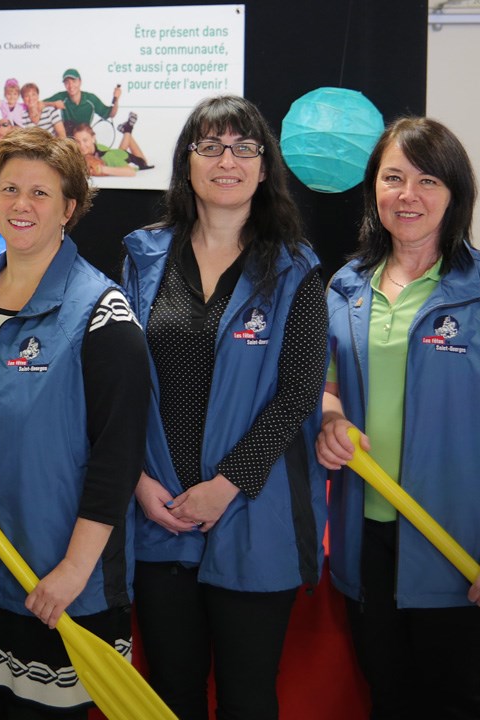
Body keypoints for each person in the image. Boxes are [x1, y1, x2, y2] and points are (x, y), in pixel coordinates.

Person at [316, 117, 480, 719]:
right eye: (393, 178)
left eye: (428, 180)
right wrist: (331, 420)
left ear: (455, 194)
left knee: (455, 702)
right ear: (374, 191)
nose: (408, 195)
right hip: (367, 537)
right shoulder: (344, 287)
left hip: (457, 543)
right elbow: (328, 389)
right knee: (387, 696)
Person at [0, 126, 150, 719]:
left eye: (40, 193)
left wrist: (73, 571)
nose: (20, 205)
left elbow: (118, 456)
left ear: (70, 208)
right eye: (8, 189)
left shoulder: (102, 313)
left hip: (56, 579)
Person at [123, 95, 327, 720]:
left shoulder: (296, 269)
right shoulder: (142, 257)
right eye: (209, 146)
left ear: (265, 169)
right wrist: (137, 481)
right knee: (172, 694)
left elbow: (298, 393)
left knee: (246, 698)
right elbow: (116, 381)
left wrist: (227, 485)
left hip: (252, 513)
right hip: (161, 513)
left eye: (244, 148)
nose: (226, 160)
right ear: (187, 164)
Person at [44, 68, 122, 134]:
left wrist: (116, 99)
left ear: (80, 82)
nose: (71, 86)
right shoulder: (61, 96)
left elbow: (111, 114)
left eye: (74, 81)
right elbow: (39, 104)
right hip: (67, 141)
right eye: (67, 82)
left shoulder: (91, 99)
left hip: (84, 138)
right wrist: (53, 103)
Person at [71, 122, 152, 177]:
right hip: (118, 154)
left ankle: (128, 130)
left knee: (144, 161)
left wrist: (102, 169)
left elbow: (131, 172)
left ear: (93, 138)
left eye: (85, 140)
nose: (81, 145)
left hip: (131, 160)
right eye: (77, 141)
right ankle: (127, 131)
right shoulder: (85, 150)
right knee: (119, 153)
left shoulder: (106, 155)